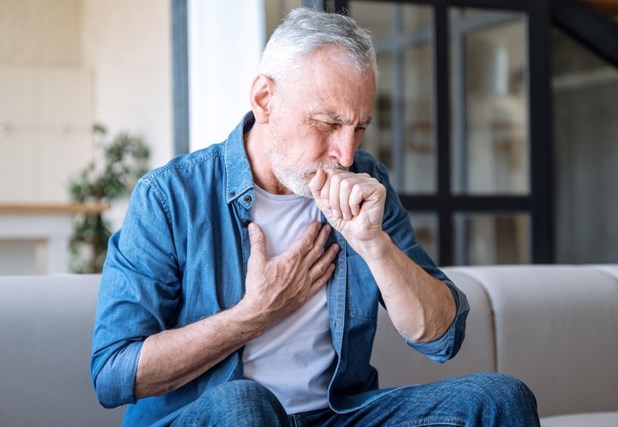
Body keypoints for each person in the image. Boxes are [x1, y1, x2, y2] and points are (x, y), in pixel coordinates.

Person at [91, 7, 539, 426]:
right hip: (220, 416)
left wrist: (374, 245)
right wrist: (252, 315)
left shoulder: (366, 181)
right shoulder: (171, 196)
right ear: (264, 99)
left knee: (501, 400)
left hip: (335, 415)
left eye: (359, 127)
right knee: (244, 403)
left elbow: (441, 337)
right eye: (327, 123)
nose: (346, 153)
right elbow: (114, 374)